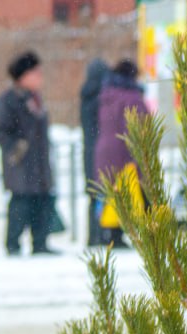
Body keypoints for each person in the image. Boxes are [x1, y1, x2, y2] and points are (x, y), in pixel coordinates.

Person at [0, 50, 57, 256]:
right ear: (24, 75)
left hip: (39, 163)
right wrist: (16, 147)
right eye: (35, 73)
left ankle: (40, 242)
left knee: (43, 202)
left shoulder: (36, 99)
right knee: (21, 203)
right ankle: (13, 244)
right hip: (21, 164)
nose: (40, 77)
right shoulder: (9, 100)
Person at [94, 58, 148, 249]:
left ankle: (110, 234)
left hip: (105, 150)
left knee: (112, 194)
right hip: (124, 152)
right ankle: (149, 233)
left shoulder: (106, 95)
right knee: (135, 194)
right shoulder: (132, 97)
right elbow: (138, 127)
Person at [80, 58, 110, 246]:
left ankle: (94, 235)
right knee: (103, 195)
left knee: (94, 196)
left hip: (89, 152)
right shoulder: (101, 99)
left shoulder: (86, 96)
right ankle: (102, 234)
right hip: (101, 153)